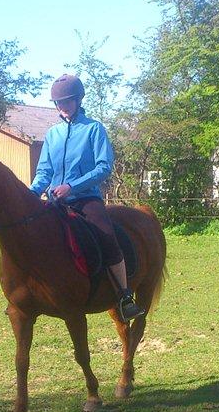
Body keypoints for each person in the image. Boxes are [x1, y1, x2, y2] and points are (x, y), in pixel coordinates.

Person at [30, 74, 144, 322]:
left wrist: (71, 186)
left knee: (107, 237)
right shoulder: (52, 134)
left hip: (86, 200)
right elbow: (44, 173)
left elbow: (104, 167)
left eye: (68, 100)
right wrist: (29, 194)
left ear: (78, 100)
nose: (63, 105)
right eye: (59, 102)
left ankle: (124, 296)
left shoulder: (94, 129)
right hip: (55, 202)